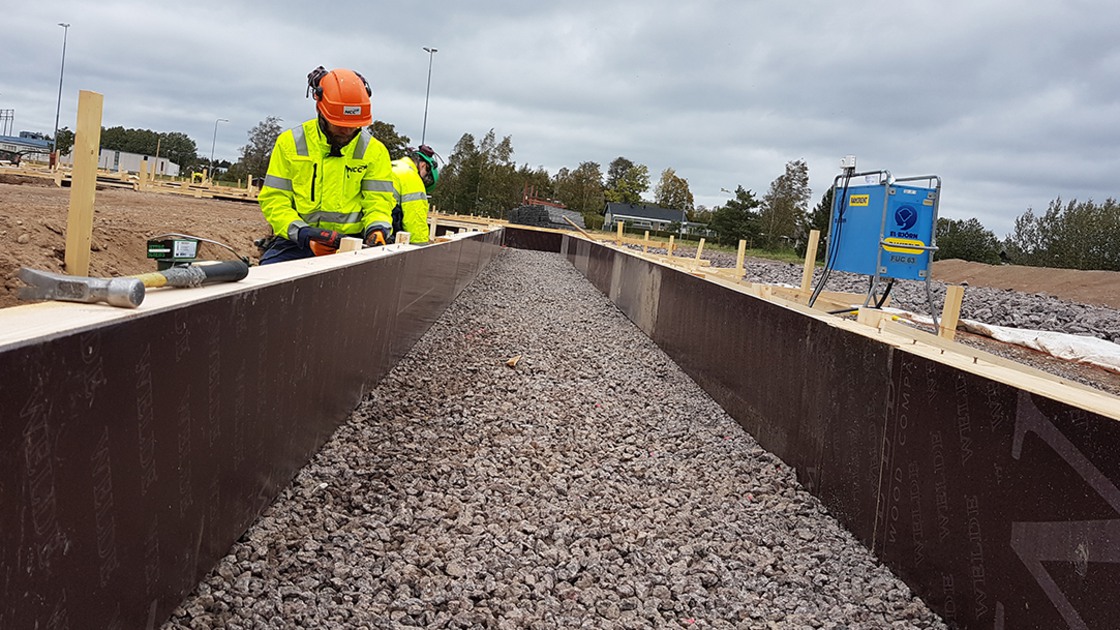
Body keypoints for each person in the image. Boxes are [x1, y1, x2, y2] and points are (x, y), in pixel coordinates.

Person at [257, 66, 395, 264]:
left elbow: (378, 202)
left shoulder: (375, 151)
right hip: (298, 241)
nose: (346, 131)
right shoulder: (290, 144)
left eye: (353, 126)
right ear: (320, 110)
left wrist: (377, 229)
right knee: (267, 280)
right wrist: (304, 233)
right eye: (339, 124)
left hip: (352, 244)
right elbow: (275, 200)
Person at [390, 145, 439, 244]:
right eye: (425, 174)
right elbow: (415, 221)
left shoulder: (391, 165)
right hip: (387, 233)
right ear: (423, 166)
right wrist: (421, 247)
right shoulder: (411, 177)